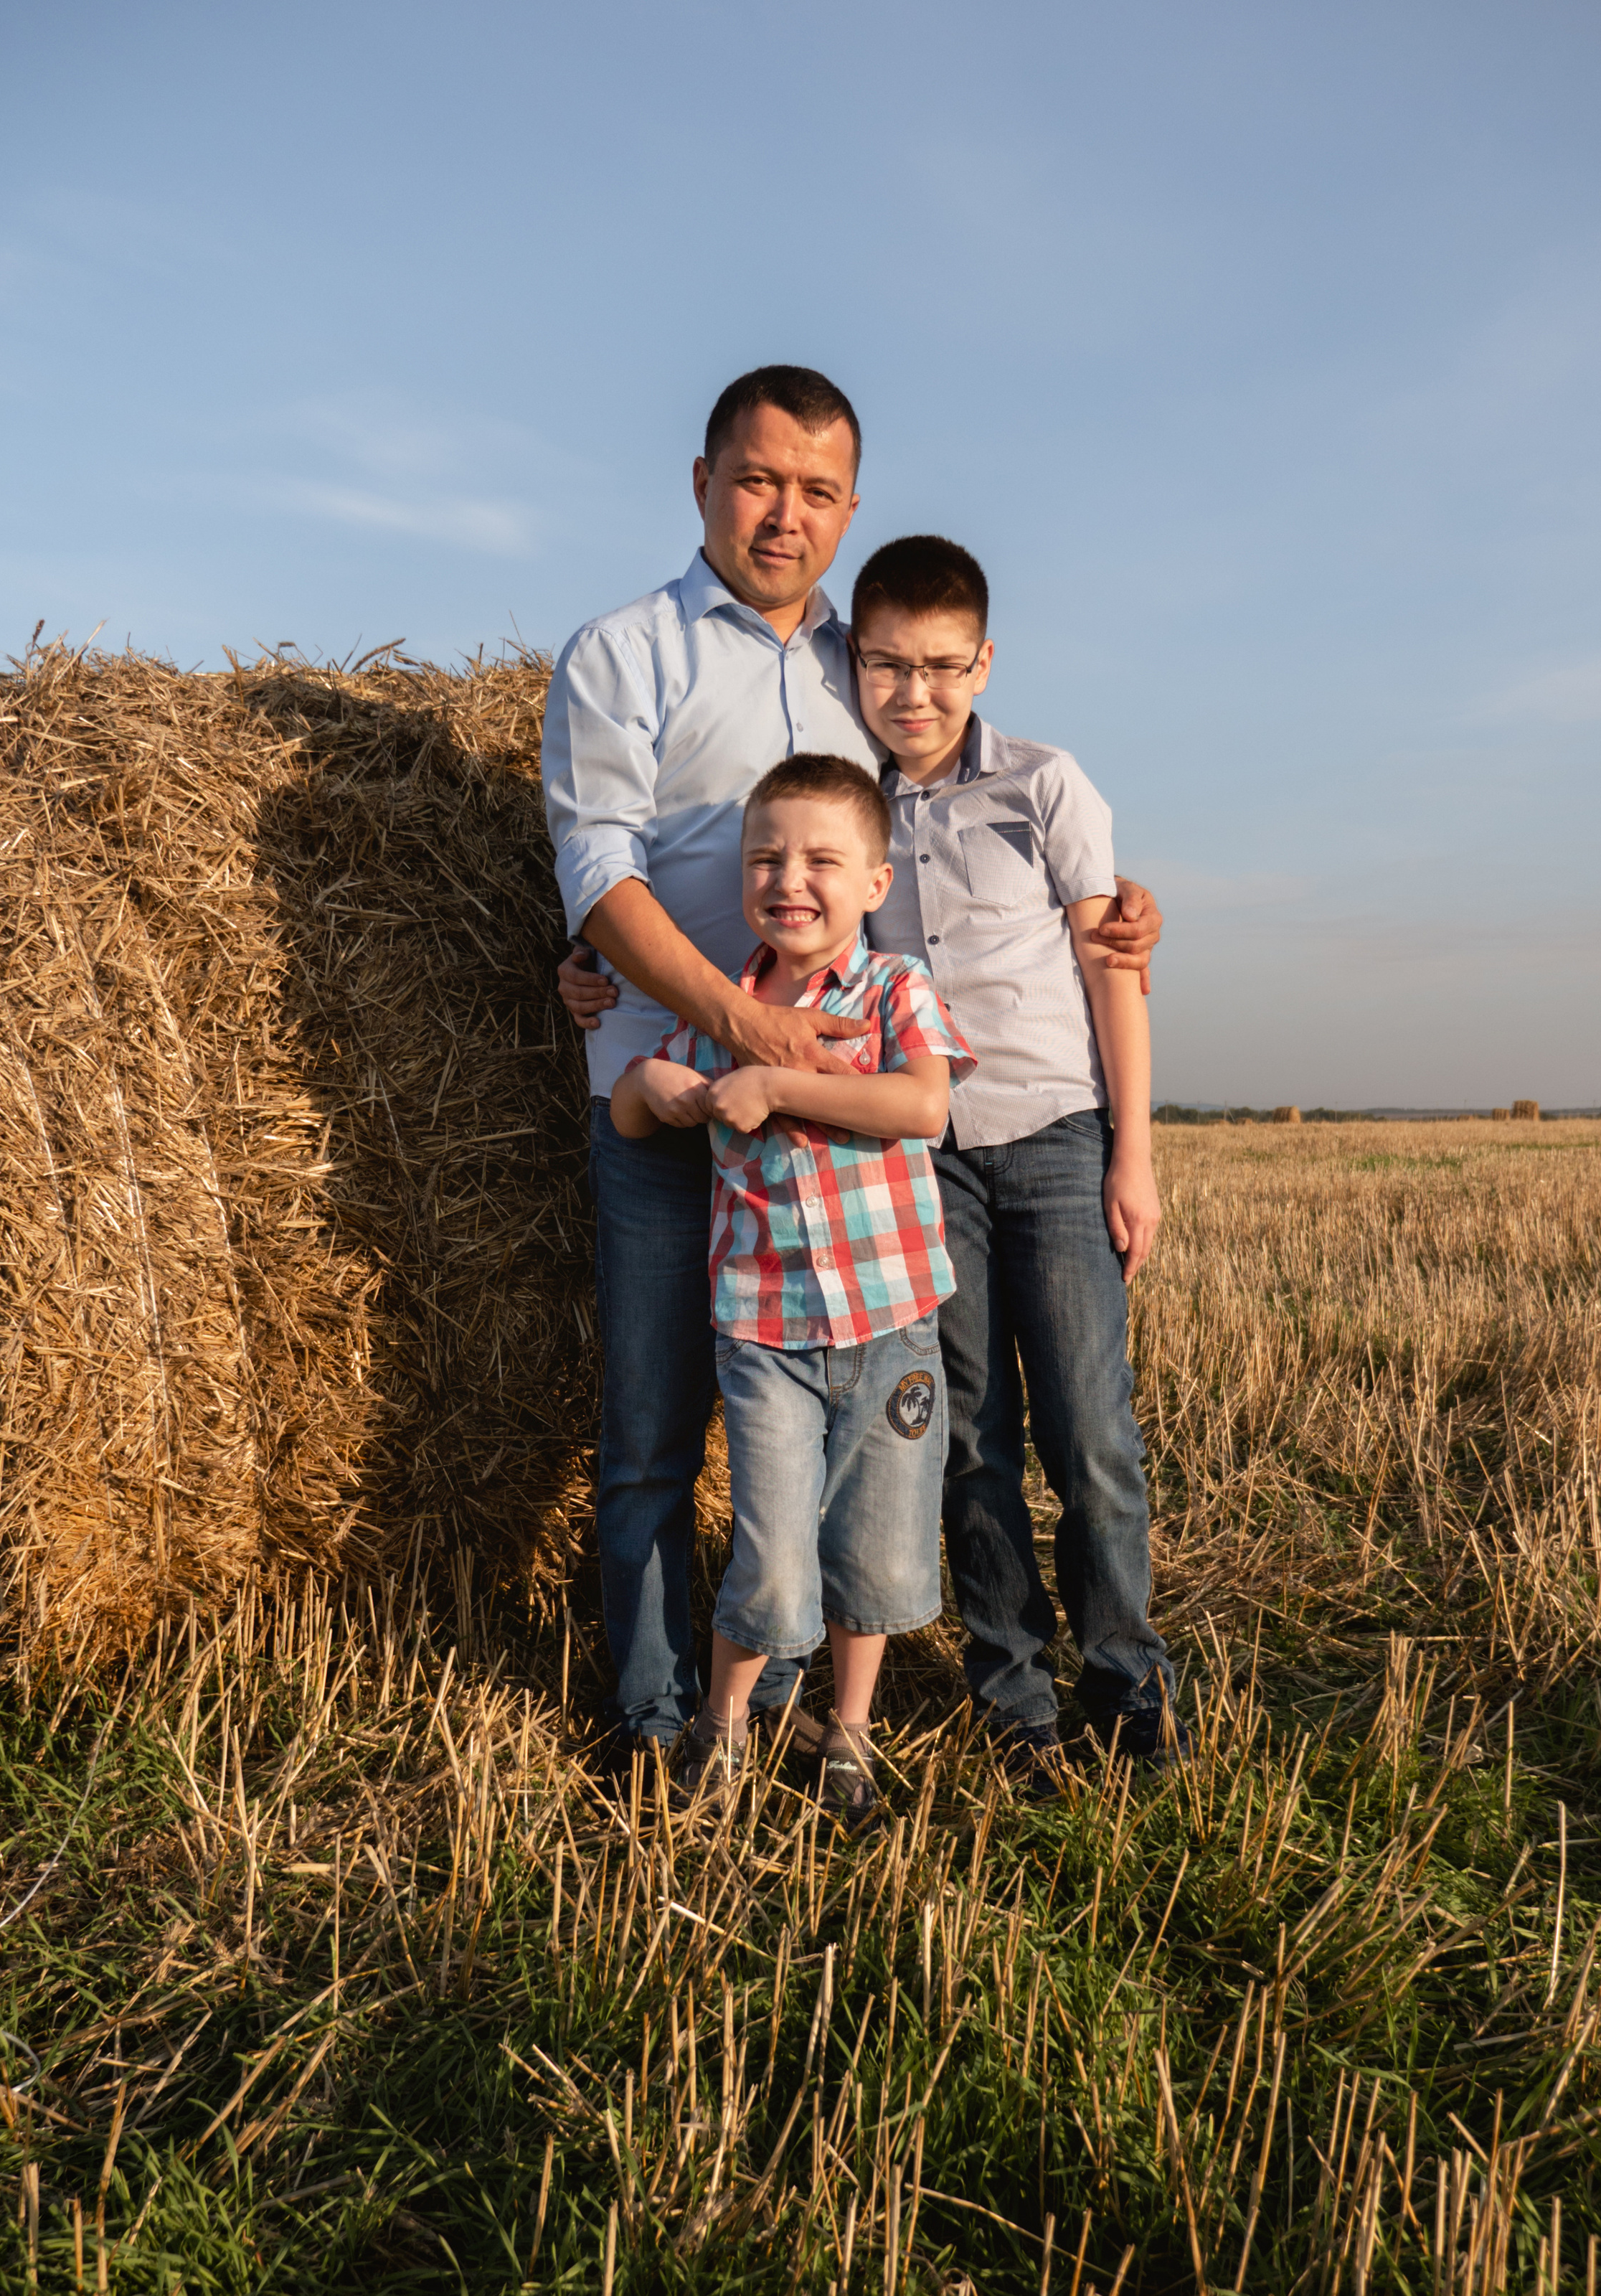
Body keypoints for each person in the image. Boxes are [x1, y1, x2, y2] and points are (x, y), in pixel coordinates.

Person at [544, 363, 1163, 1761]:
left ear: (848, 509)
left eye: (816, 491)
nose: (784, 513)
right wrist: (653, 985)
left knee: (863, 1438)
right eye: (758, 479)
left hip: (846, 1132)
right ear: (701, 482)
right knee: (653, 1436)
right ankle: (659, 1726)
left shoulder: (857, 665)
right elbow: (598, 870)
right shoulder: (620, 654)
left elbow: (965, 821)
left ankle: (811, 1701)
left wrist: (1119, 910)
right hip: (670, 1102)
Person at [854, 534, 1185, 1774]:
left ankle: (1126, 1676)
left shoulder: (1045, 786)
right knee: (969, 1430)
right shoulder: (850, 806)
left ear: (984, 662)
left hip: (1055, 1138)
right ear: (857, 661)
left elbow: (1118, 970)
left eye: (943, 667)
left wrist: (1132, 1156)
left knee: (1092, 1431)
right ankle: (1013, 1693)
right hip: (926, 1155)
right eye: (888, 666)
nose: (915, 694)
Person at [609, 756, 973, 1818]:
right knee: (770, 1553)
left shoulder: (893, 988)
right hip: (764, 1334)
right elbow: (635, 1116)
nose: (790, 879)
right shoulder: (725, 1011)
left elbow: (922, 1108)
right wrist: (652, 1082)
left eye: (821, 859)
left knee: (879, 1548)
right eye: (766, 857)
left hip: (891, 1324)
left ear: (875, 881)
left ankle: (849, 1733)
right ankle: (724, 1728)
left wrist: (777, 1084)